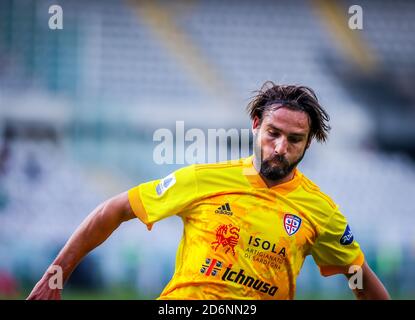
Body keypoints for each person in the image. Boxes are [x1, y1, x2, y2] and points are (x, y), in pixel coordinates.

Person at [27, 82, 390, 300]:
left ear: (309, 142)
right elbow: (115, 209)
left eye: (294, 139)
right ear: (255, 126)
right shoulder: (203, 179)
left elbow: (358, 275)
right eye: (273, 133)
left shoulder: (320, 210)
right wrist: (56, 273)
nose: (280, 147)